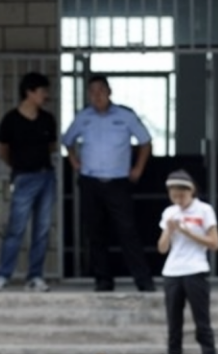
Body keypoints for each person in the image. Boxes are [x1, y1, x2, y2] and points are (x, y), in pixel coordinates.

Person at [62, 75, 156, 292]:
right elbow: (68, 141)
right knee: (95, 233)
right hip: (90, 181)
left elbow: (145, 142)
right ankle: (103, 280)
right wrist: (74, 162)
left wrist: (138, 169)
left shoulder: (125, 116)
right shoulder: (83, 117)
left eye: (101, 91)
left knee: (128, 231)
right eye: (92, 92)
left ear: (109, 92)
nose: (97, 96)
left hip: (118, 182)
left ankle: (143, 280)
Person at [0, 72, 57, 293]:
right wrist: (18, 167)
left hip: (45, 175)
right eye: (42, 91)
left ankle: (35, 276)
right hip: (23, 177)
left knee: (42, 228)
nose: (46, 95)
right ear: (29, 92)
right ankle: (2, 275)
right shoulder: (10, 120)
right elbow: (3, 150)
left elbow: (51, 147)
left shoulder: (48, 119)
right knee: (16, 228)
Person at [157, 169, 218, 354]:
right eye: (174, 196)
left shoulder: (204, 210)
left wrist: (187, 231)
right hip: (172, 272)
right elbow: (162, 248)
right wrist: (169, 230)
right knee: (174, 327)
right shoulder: (169, 212)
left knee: (202, 325)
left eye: (181, 196)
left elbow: (214, 243)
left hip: (196, 269)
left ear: (190, 191)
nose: (178, 200)